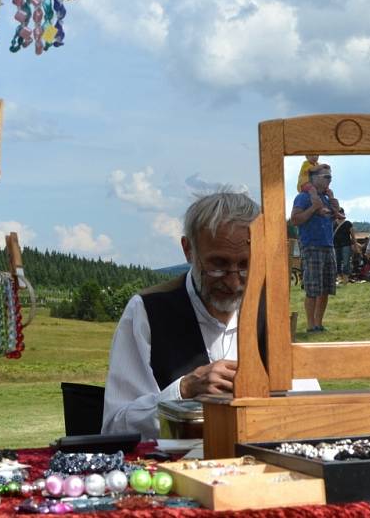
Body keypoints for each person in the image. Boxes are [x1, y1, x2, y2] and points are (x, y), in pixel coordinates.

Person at [102, 190, 260, 440]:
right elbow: (115, 426)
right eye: (218, 265)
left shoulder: (269, 311)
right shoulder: (147, 310)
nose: (233, 282)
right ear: (188, 250)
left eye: (245, 265)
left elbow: (307, 404)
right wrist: (183, 391)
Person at [291, 164, 337, 333]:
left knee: (325, 288)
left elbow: (334, 217)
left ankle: (319, 323)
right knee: (312, 288)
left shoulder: (325, 197)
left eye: (330, 177)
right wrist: (313, 208)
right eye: (327, 177)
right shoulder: (303, 197)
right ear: (314, 178)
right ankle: (311, 325)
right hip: (311, 246)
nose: (330, 180)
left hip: (328, 245)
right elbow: (295, 220)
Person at [333, 209, 358, 286]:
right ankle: (339, 278)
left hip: (346, 245)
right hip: (336, 245)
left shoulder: (348, 223)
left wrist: (355, 245)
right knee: (337, 262)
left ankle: (345, 280)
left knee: (346, 262)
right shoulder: (333, 223)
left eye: (341, 212)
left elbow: (353, 236)